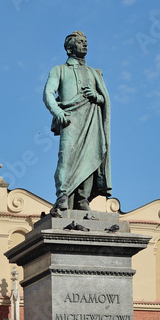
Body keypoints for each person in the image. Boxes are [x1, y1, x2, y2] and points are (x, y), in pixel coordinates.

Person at [43, 31, 111, 215]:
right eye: (80, 42)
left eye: (86, 41)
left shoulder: (94, 72)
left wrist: (96, 96)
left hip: (91, 120)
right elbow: (48, 93)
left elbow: (104, 99)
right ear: (69, 47)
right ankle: (62, 195)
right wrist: (57, 111)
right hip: (70, 119)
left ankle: (82, 199)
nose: (85, 44)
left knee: (91, 157)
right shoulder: (59, 70)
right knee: (65, 157)